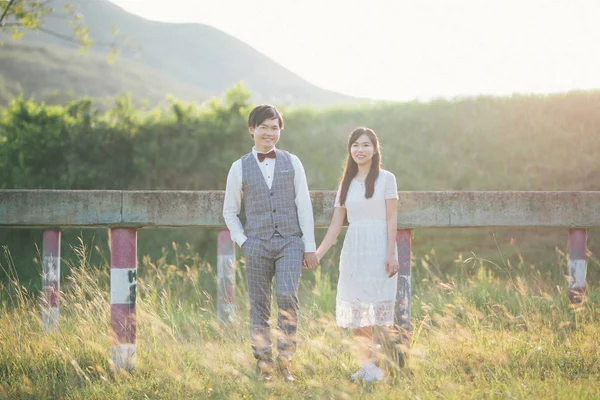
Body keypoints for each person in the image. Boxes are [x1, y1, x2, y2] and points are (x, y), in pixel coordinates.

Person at [223, 104, 319, 382]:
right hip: (256, 245)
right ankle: (263, 363)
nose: (269, 132)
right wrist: (243, 241)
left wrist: (309, 245)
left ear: (280, 130)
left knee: (287, 296)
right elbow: (230, 211)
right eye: (263, 127)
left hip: (290, 242)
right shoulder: (238, 167)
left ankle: (285, 360)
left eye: (274, 127)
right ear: (252, 129)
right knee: (259, 305)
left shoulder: (293, 161)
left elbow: (304, 204)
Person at [314, 127, 400, 382]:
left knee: (379, 309)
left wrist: (391, 253)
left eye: (365, 145)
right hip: (354, 250)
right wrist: (317, 254)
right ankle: (368, 367)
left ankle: (384, 364)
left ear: (375, 150)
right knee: (358, 310)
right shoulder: (345, 184)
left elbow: (392, 217)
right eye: (355, 145)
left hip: (380, 247)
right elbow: (335, 226)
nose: (360, 150)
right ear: (349, 150)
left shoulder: (387, 179)